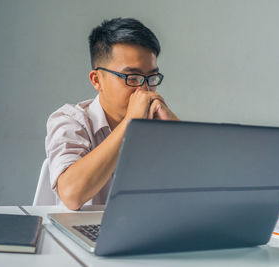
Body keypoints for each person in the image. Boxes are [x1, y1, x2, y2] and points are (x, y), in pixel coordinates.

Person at [45, 18, 179, 210]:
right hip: (84, 234)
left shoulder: (158, 122)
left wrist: (178, 134)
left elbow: (205, 191)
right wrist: (130, 124)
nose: (144, 88)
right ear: (97, 80)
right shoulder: (71, 121)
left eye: (151, 77)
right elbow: (72, 194)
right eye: (132, 77)